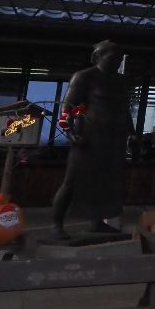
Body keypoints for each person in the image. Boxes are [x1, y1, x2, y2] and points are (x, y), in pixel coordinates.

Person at [52, 40, 133, 236]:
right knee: (71, 181)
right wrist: (70, 133)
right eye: (111, 57)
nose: (115, 62)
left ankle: (96, 222)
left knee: (105, 182)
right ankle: (57, 225)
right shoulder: (84, 77)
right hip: (87, 137)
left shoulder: (121, 81)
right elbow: (66, 108)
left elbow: (124, 109)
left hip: (114, 138)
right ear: (97, 57)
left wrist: (132, 134)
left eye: (118, 59)